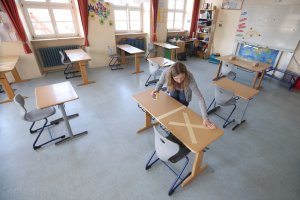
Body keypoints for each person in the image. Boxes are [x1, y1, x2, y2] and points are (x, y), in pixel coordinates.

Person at [151, 62, 216, 129]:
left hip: (184, 92)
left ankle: (179, 122)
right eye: (176, 78)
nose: (179, 81)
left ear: (185, 73)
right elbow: (160, 83)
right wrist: (156, 90)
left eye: (182, 77)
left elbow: (200, 99)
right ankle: (173, 121)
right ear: (171, 76)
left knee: (182, 108)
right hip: (173, 89)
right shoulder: (166, 73)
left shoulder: (189, 76)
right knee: (173, 104)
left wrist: (205, 118)